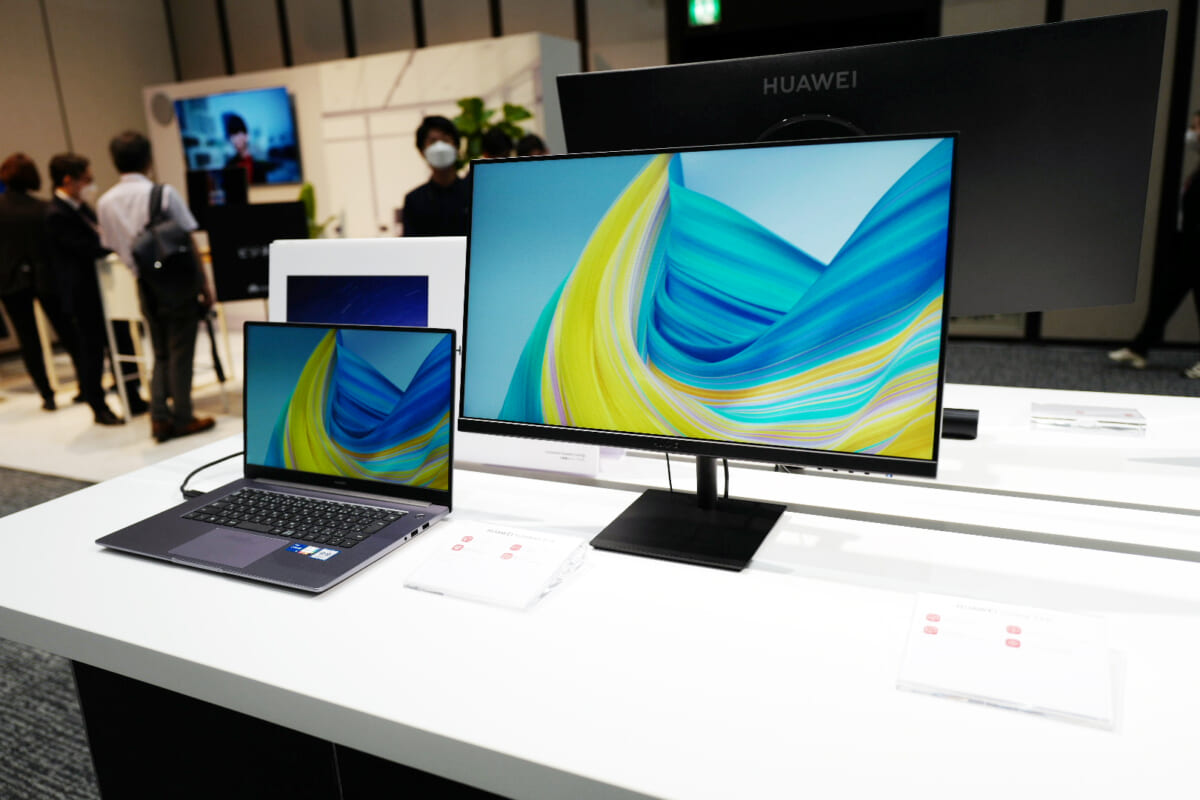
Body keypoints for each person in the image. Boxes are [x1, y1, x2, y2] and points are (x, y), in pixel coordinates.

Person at [97, 131, 215, 443]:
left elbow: (111, 245)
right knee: (181, 351)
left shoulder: (105, 203)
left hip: (143, 284)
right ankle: (183, 417)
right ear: (148, 159)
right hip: (177, 284)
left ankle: (159, 417)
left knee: (160, 352)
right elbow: (188, 238)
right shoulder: (162, 194)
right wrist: (204, 284)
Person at [1109, 110, 1200, 378]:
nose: (1193, 133)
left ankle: (1140, 346)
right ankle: (1140, 347)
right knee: (1166, 297)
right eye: (1193, 127)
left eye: (1198, 128)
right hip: (1189, 245)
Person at [44, 153, 123, 425]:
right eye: (86, 179)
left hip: (103, 290)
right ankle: (97, 404)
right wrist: (112, 247)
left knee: (118, 342)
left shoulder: (82, 209)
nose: (90, 184)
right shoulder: (56, 215)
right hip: (82, 295)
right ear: (69, 180)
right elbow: (85, 248)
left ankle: (130, 395)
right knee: (92, 351)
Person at [0, 153, 80, 411]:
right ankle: (85, 385)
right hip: (47, 278)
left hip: (11, 282)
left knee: (28, 340)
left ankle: (46, 394)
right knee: (67, 331)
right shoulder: (43, 209)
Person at [401, 116, 469, 237]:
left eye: (446, 140)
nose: (440, 147)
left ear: (456, 147)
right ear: (422, 151)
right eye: (433, 142)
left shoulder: (473, 194)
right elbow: (410, 244)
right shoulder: (414, 200)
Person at [222, 113, 272, 185]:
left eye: (236, 134)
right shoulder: (230, 165)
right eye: (231, 136)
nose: (234, 140)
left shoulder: (258, 160)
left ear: (246, 135)